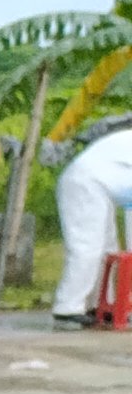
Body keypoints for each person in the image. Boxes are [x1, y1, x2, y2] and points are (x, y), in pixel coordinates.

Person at [48, 115, 132, 325]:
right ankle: (67, 308)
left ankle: (101, 305)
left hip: (99, 187)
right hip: (85, 185)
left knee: (107, 249)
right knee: (87, 247)